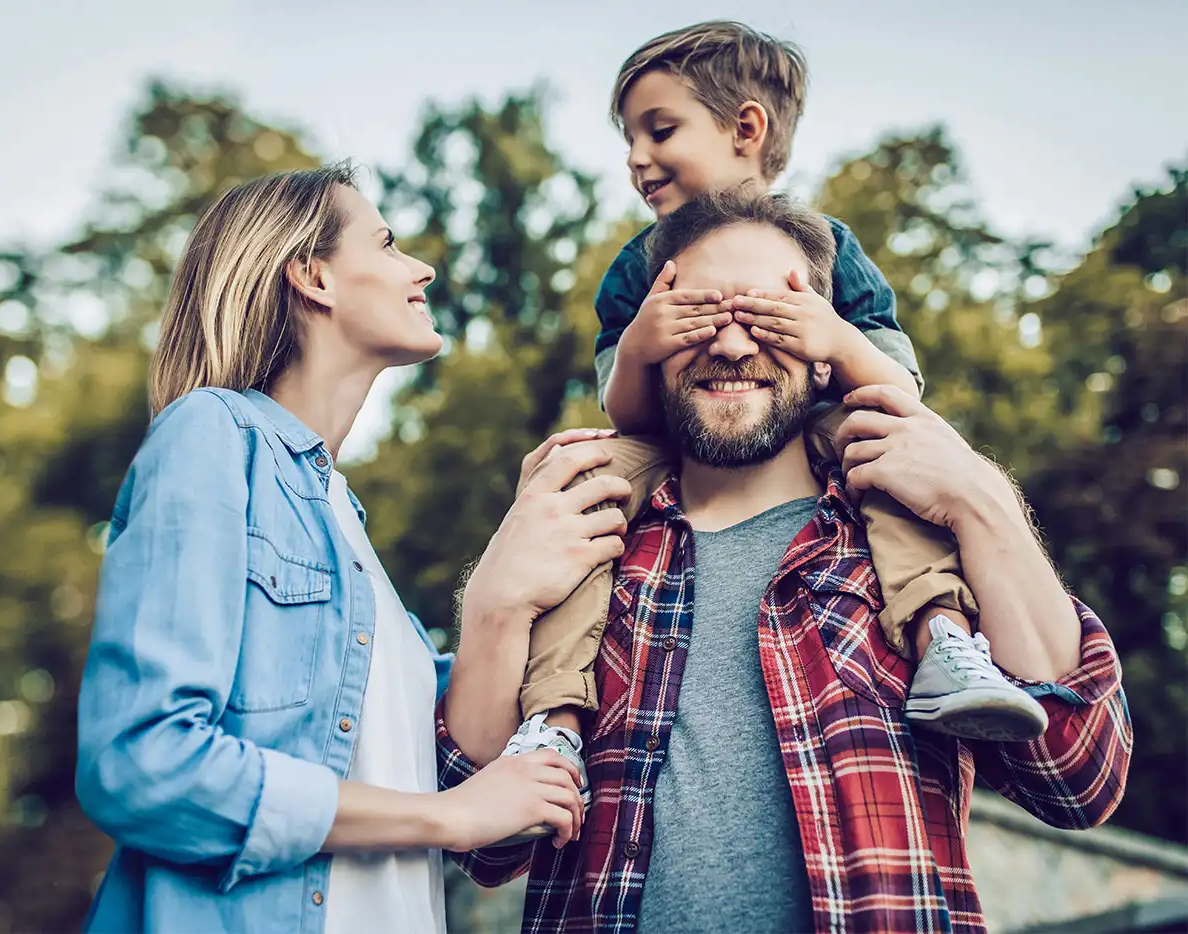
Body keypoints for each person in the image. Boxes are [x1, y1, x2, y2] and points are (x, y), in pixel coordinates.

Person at [437, 189, 1132, 933]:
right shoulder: (587, 538)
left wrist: (983, 503)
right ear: (649, 342)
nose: (733, 346)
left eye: (767, 316)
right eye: (701, 315)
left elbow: (1077, 780)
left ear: (828, 352)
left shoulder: (907, 544)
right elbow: (485, 849)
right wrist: (493, 606)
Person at [74, 163, 631, 934]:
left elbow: (457, 772)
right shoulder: (212, 435)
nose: (422, 268)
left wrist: (503, 592)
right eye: (389, 242)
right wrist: (448, 818)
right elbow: (142, 764)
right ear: (313, 277)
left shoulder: (341, 518)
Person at [499, 22, 1045, 799]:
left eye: (660, 130)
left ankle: (943, 638)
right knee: (583, 483)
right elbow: (627, 416)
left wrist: (834, 337)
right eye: (628, 139)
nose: (635, 159)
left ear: (746, 129)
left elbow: (897, 389)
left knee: (891, 456)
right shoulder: (638, 268)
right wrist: (639, 351)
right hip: (681, 441)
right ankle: (554, 716)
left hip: (815, 427)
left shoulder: (826, 245)